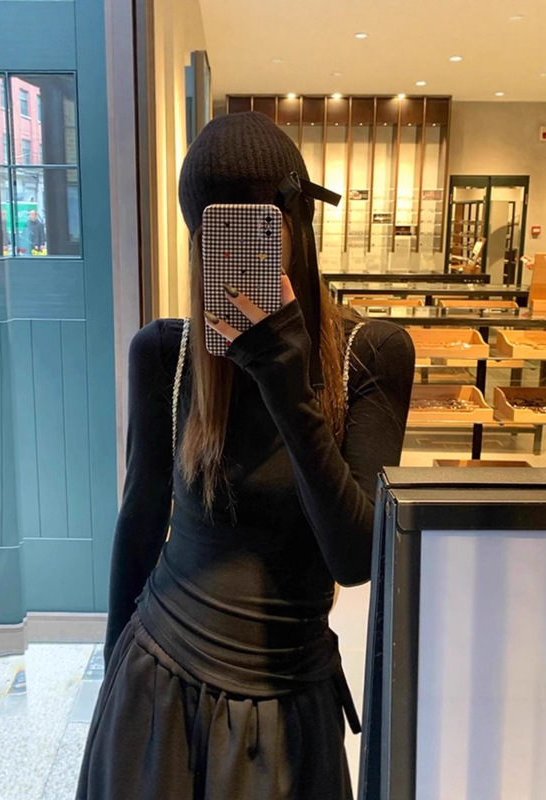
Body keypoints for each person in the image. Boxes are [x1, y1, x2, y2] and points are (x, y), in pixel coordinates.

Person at [76, 111, 415, 800]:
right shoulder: (165, 354)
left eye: (257, 229)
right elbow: (139, 525)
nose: (238, 259)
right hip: (157, 685)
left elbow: (355, 557)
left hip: (289, 705)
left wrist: (288, 381)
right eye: (218, 236)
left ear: (298, 224)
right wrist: (112, 682)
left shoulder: (369, 354)